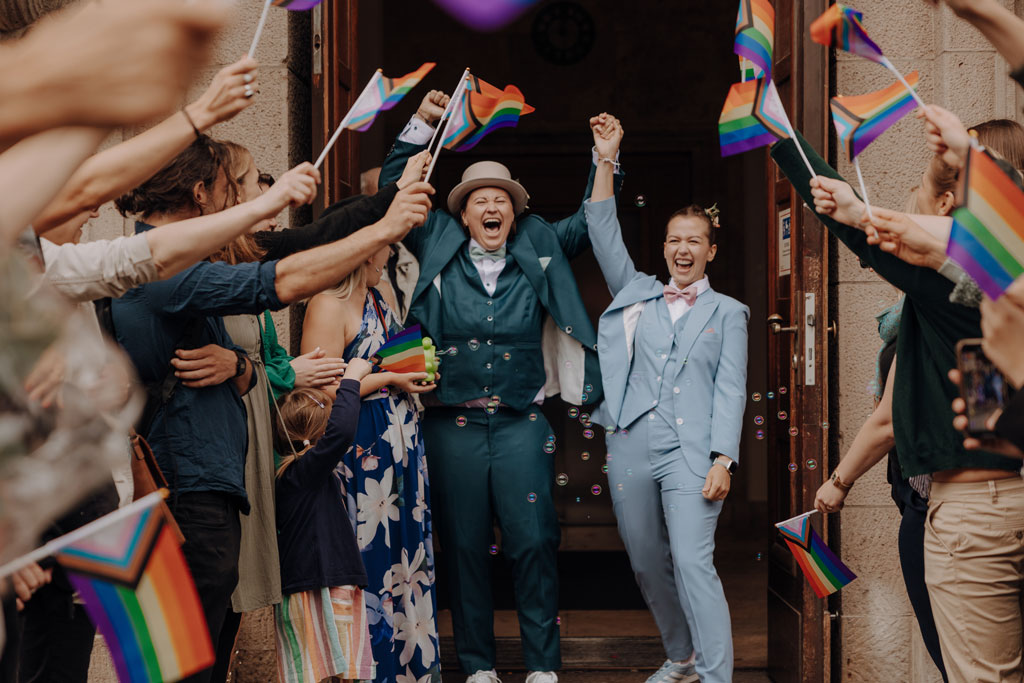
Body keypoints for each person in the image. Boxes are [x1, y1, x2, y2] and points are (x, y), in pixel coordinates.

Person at [110, 137, 432, 680]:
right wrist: (382, 232)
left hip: (213, 478)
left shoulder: (182, 256)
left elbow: (299, 244)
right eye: (243, 185)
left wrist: (241, 369)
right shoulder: (156, 265)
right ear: (202, 192)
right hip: (184, 484)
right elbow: (273, 282)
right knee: (176, 655)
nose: (251, 198)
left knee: (206, 642)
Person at [375, 90, 620, 683]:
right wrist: (423, 123)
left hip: (520, 421)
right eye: (480, 200)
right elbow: (391, 192)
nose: (491, 207)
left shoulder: (539, 242)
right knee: (462, 547)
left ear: (514, 211)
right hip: (448, 421)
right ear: (462, 214)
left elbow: (591, 220)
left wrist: (605, 158)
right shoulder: (434, 240)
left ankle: (541, 667)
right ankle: (479, 666)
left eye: (501, 201)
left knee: (534, 539)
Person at [773, 124, 1024, 682]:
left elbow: (872, 237)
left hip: (974, 511)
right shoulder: (996, 289)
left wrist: (787, 139)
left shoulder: (959, 286)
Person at [583, 114, 747, 683]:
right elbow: (602, 228)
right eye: (675, 240)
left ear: (710, 251)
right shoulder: (638, 295)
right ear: (665, 246)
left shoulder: (729, 313)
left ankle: (717, 676)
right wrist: (607, 157)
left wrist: (723, 458)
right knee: (645, 560)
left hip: (693, 451)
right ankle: (682, 657)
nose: (683, 249)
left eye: (693, 241)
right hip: (629, 440)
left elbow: (731, 387)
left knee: (694, 562)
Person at [300, 235, 440, 682]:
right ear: (362, 249)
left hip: (401, 457)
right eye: (386, 247)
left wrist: (412, 376)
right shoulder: (326, 304)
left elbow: (392, 365)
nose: (391, 256)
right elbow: (320, 394)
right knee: (369, 562)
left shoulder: (379, 298)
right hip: (361, 458)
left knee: (404, 565)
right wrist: (387, 381)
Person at [272, 360, 376, 683]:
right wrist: (353, 379)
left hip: (306, 589)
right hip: (323, 589)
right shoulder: (306, 473)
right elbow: (343, 430)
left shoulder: (287, 479)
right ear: (320, 435)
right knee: (337, 673)